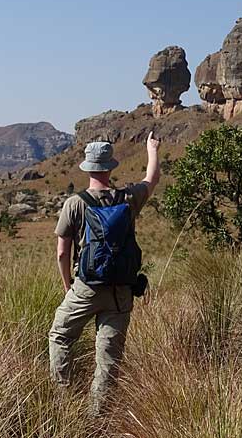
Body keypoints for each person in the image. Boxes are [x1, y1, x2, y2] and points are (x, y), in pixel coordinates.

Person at [48, 132, 161, 413]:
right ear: (110, 168)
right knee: (108, 360)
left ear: (87, 167)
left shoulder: (75, 204)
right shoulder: (128, 198)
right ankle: (96, 417)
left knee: (60, 336)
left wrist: (68, 287)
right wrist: (152, 149)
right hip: (120, 292)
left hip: (85, 287)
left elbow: (62, 252)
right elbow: (152, 179)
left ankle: (65, 399)